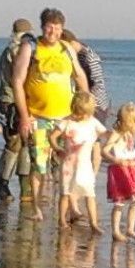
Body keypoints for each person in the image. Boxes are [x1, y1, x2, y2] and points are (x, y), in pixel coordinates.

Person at [10, 8, 90, 220]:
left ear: (62, 29)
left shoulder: (66, 49)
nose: (52, 31)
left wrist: (87, 105)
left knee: (70, 163)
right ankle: (37, 207)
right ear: (43, 26)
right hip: (38, 118)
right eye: (49, 26)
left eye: (57, 27)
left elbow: (80, 76)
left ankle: (72, 205)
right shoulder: (31, 48)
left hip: (65, 118)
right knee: (40, 165)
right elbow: (17, 81)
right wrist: (24, 116)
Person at [52, 92, 107, 232]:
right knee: (65, 193)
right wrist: (57, 148)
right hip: (68, 165)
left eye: (85, 114)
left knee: (90, 194)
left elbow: (106, 134)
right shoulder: (67, 122)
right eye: (79, 113)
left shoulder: (93, 122)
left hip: (84, 166)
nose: (82, 117)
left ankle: (94, 223)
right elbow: (52, 137)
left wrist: (122, 129)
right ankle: (62, 219)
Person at [0, 19, 35, 201]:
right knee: (17, 142)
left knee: (20, 142)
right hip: (13, 101)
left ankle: (19, 186)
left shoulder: (8, 50)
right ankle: (7, 184)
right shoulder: (17, 51)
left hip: (9, 100)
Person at [102, 102, 135, 241]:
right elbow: (104, 151)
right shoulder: (116, 134)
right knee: (120, 202)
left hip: (133, 167)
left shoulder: (131, 131)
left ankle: (130, 228)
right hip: (121, 169)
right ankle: (116, 231)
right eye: (134, 122)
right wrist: (115, 160)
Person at [60, 30, 111, 121]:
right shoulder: (75, 56)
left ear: (72, 43)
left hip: (95, 105)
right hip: (80, 102)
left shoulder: (89, 57)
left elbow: (98, 83)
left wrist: (89, 103)